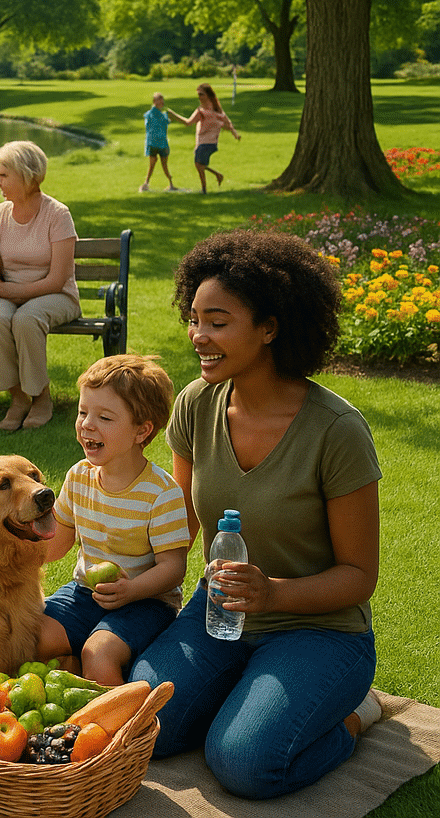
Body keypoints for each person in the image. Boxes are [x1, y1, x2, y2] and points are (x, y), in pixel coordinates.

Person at [131, 229, 382, 799]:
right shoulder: (197, 403)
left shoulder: (336, 433)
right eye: (194, 318)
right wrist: (128, 568)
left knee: (243, 762)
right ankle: (241, 690)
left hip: (318, 630)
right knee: (141, 728)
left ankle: (352, 716)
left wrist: (271, 595)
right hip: (217, 613)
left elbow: (359, 578)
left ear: (270, 327)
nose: (199, 336)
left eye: (218, 322)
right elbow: (180, 521)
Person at [37, 355, 189, 686]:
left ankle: (118, 731)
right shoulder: (79, 476)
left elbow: (173, 569)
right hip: (85, 593)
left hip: (146, 603)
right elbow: (55, 546)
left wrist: (131, 590)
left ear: (142, 430)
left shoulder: (161, 493)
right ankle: (74, 663)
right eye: (82, 412)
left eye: (104, 417)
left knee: (99, 653)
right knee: (31, 635)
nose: (87, 424)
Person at [0, 140, 80, 431]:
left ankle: (41, 398)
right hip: (10, 293)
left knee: (27, 318)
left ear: (26, 175)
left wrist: (3, 290)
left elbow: (57, 279)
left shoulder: (58, 215)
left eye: (3, 175)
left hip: (56, 295)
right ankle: (17, 398)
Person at [181, 82, 240, 192]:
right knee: (199, 165)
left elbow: (227, 122)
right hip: (203, 142)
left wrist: (235, 133)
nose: (199, 97)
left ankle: (204, 190)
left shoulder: (213, 110)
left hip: (208, 143)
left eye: (201, 94)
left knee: (199, 165)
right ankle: (216, 176)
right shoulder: (203, 110)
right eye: (198, 94)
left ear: (208, 95)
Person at [139, 92, 183, 192]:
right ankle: (149, 183)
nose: (161, 102)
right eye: (159, 100)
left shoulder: (156, 115)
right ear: (154, 102)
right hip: (157, 144)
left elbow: (163, 123)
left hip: (158, 143)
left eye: (162, 101)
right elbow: (157, 125)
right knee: (157, 165)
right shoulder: (154, 115)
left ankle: (165, 184)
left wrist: (169, 117)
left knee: (159, 165)